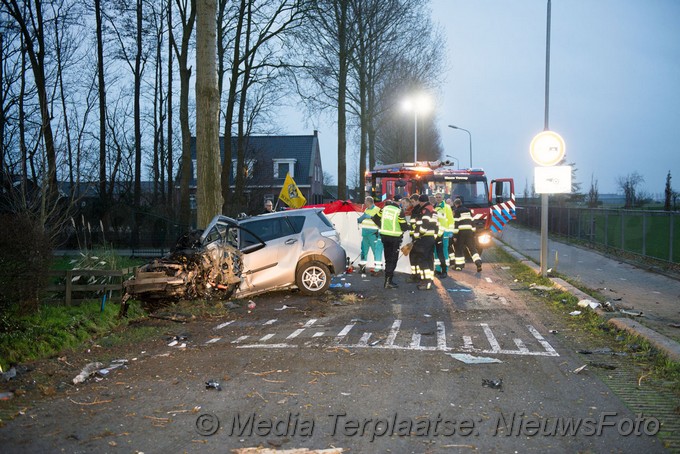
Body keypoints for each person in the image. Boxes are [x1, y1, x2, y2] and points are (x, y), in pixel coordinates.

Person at [372, 196, 408, 289]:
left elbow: (375, 218)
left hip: (384, 236)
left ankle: (387, 279)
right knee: (393, 260)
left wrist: (382, 226)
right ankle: (388, 281)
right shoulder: (399, 211)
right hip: (395, 238)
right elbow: (403, 226)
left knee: (387, 258)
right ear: (399, 202)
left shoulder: (384, 208)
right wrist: (410, 227)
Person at [411, 194, 438, 290]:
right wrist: (434, 236)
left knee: (422, 260)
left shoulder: (425, 210)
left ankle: (425, 282)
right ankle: (429, 280)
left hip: (424, 238)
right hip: (430, 238)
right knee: (430, 260)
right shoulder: (433, 210)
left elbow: (424, 224)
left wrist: (418, 235)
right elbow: (436, 226)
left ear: (421, 201)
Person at [452, 198, 482, 272]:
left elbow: (456, 224)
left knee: (459, 249)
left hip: (461, 233)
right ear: (461, 203)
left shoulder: (457, 211)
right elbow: (472, 222)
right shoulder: (468, 210)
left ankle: (459, 266)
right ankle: (478, 263)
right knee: (472, 249)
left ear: (456, 204)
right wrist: (473, 233)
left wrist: (455, 236)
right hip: (469, 233)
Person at [356, 196, 383, 274]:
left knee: (376, 251)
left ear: (368, 202)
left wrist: (370, 217)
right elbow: (362, 219)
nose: (364, 203)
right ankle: (362, 267)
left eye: (365, 201)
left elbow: (379, 222)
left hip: (373, 234)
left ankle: (378, 269)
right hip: (365, 234)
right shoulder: (366, 209)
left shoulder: (377, 210)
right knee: (364, 251)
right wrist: (361, 219)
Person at [433, 192, 454, 278]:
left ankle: (445, 270)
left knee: (444, 251)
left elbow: (450, 220)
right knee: (436, 252)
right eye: (437, 197)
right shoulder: (435, 207)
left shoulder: (446, 207)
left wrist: (450, 232)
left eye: (439, 197)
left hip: (444, 233)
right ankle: (438, 269)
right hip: (436, 234)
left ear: (443, 198)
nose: (438, 198)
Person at [407, 193, 422, 282]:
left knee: (414, 257)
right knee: (415, 257)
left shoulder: (418, 210)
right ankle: (416, 274)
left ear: (417, 201)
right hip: (415, 236)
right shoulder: (416, 210)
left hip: (417, 237)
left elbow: (415, 224)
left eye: (413, 202)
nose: (412, 203)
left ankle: (415, 275)